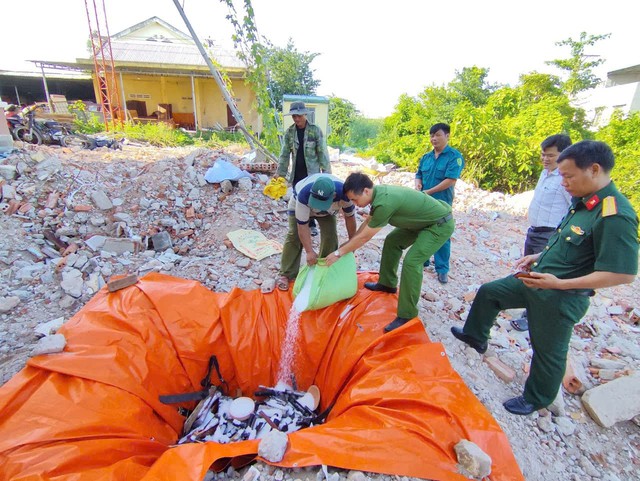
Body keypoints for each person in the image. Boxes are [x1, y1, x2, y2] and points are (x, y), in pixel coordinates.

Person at [451, 140, 638, 416]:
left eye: (568, 176)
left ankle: (537, 398)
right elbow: (568, 243)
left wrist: (560, 284)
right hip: (538, 279)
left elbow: (622, 274)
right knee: (490, 292)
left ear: (594, 169)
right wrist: (536, 257)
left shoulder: (614, 214)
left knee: (547, 351)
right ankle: (476, 337)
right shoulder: (583, 201)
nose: (563, 182)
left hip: (561, 295)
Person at [325, 172, 455, 332]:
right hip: (420, 222)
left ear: (366, 191)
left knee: (412, 261)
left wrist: (339, 253)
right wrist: (348, 245)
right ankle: (387, 283)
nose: (355, 204)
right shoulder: (378, 195)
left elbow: (365, 237)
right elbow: (367, 222)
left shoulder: (384, 202)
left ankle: (407, 314)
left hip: (438, 225)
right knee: (392, 241)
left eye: (354, 199)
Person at [510, 134, 573, 332]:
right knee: (529, 273)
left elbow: (573, 208)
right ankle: (528, 310)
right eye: (543, 155)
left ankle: (532, 318)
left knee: (540, 276)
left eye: (550, 155)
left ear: (564, 155)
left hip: (550, 233)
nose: (545, 159)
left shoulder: (565, 179)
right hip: (534, 230)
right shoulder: (545, 173)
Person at [276, 173, 357, 291]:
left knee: (330, 235)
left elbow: (350, 217)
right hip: (302, 204)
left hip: (328, 211)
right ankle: (286, 274)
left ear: (334, 195)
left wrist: (352, 242)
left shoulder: (344, 194)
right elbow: (302, 226)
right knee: (294, 236)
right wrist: (309, 251)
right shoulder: (304, 194)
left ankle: (324, 271)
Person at [415, 123, 465, 284]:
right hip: (424, 201)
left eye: (437, 135)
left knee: (442, 233)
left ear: (447, 135)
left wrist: (429, 192)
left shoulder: (454, 157)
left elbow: (450, 180)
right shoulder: (426, 157)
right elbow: (419, 173)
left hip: (441, 202)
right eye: (431, 135)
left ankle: (442, 269)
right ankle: (423, 260)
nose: (433, 138)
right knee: (422, 229)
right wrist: (418, 183)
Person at [277, 101, 331, 237]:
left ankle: (312, 225)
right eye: (294, 116)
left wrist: (327, 174)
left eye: (299, 116)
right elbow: (284, 154)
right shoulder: (290, 132)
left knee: (311, 199)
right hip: (297, 173)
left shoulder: (315, 130)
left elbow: (322, 153)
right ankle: (300, 226)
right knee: (298, 199)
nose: (297, 119)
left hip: (311, 173)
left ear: (305, 114)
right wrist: (280, 173)